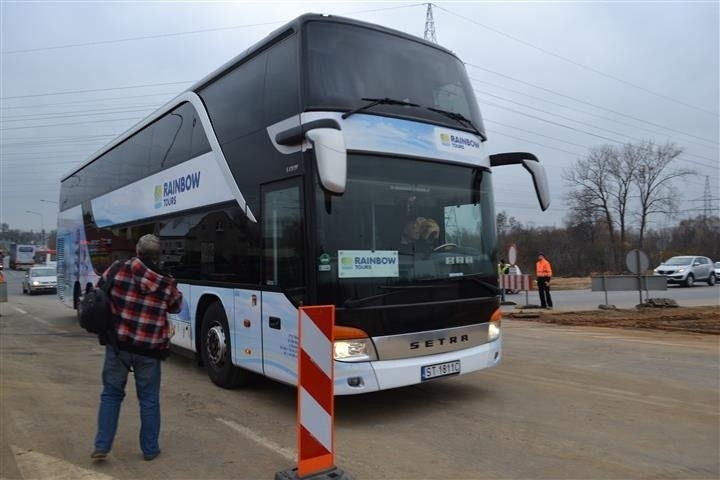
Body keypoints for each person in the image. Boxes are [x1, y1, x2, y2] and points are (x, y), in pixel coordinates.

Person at [92, 234, 182, 461]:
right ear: (157, 255)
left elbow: (99, 291)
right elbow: (176, 307)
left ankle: (102, 445)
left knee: (111, 395)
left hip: (118, 346)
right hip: (150, 350)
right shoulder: (166, 282)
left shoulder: (118, 269)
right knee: (149, 399)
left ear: (138, 252)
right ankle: (150, 450)